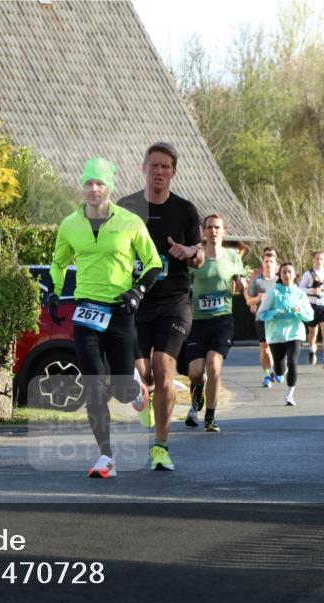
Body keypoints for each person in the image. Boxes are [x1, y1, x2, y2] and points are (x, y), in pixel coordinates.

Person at [48, 157, 161, 478]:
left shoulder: (130, 222)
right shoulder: (70, 224)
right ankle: (105, 457)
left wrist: (137, 292)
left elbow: (153, 263)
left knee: (122, 389)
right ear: (82, 187)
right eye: (89, 183)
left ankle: (137, 391)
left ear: (109, 187)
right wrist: (55, 291)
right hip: (86, 312)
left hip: (120, 311)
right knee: (94, 384)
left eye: (99, 183)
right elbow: (58, 262)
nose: (94, 189)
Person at [118, 142, 203, 471]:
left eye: (165, 167)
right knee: (144, 373)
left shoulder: (185, 211)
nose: (159, 171)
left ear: (173, 172)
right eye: (154, 165)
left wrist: (189, 252)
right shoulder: (126, 209)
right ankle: (143, 395)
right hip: (137, 303)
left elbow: (200, 255)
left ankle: (161, 447)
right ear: (144, 168)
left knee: (164, 369)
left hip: (174, 303)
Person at [184, 214, 247, 432]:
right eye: (209, 227)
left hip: (222, 320)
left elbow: (240, 279)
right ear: (204, 231)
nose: (213, 231)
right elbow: (184, 280)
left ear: (224, 231)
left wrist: (241, 283)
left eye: (217, 228)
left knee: (213, 365)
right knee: (194, 373)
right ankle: (198, 392)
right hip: (198, 321)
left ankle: (210, 418)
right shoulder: (197, 256)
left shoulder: (232, 256)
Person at [258, 263, 314, 406]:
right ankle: (277, 371)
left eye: (289, 272)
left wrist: (299, 311)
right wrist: (276, 313)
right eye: (284, 272)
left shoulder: (300, 294)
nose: (287, 275)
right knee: (280, 370)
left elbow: (310, 316)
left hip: (295, 334)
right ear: (280, 275)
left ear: (295, 275)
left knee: (293, 363)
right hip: (276, 336)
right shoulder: (273, 293)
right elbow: (261, 314)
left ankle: (289, 395)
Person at [245, 247, 279, 388]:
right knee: (264, 349)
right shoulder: (256, 281)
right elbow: (249, 301)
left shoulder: (280, 281)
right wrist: (258, 298)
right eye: (266, 261)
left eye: (271, 262)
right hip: (261, 319)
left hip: (278, 320)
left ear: (275, 264)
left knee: (278, 348)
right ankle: (267, 374)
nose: (268, 264)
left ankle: (278, 368)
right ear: (263, 263)